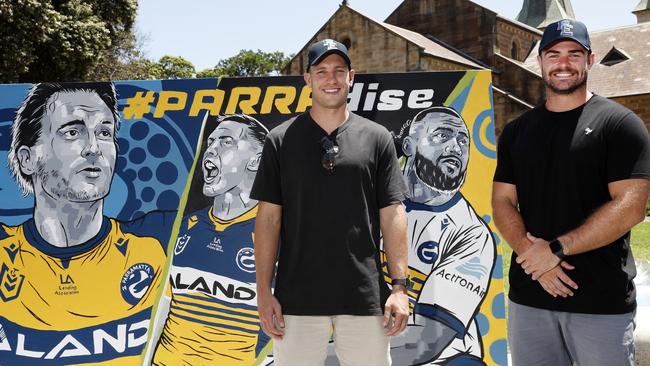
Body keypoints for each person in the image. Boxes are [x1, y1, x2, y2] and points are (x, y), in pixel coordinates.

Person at [492, 19, 650, 366]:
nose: (563, 64)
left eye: (574, 54)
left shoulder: (620, 125)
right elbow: (502, 202)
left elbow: (631, 206)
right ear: (540, 61)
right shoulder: (517, 131)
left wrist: (557, 250)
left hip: (600, 304)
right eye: (554, 55)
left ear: (590, 60)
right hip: (530, 299)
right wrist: (535, 259)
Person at [250, 39, 410, 366]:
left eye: (339, 70)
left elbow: (393, 214)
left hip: (365, 298)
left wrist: (399, 287)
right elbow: (268, 221)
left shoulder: (378, 138)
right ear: (308, 79)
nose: (331, 79)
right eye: (321, 71)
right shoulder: (280, 140)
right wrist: (264, 293)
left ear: (352, 76)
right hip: (296, 300)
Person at [0, 82, 171, 365]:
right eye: (72, 132)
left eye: (105, 132)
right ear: (28, 159)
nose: (94, 148)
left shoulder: (161, 240)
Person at [149, 114, 271, 365]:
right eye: (210, 142)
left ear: (256, 161)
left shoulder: (277, 233)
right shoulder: (184, 227)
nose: (211, 150)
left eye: (225, 142)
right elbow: (162, 310)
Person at [390, 106, 495, 365]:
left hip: (443, 359)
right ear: (408, 146)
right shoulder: (373, 207)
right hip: (371, 343)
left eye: (462, 141)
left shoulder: (472, 234)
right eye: (442, 136)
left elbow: (423, 343)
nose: (455, 148)